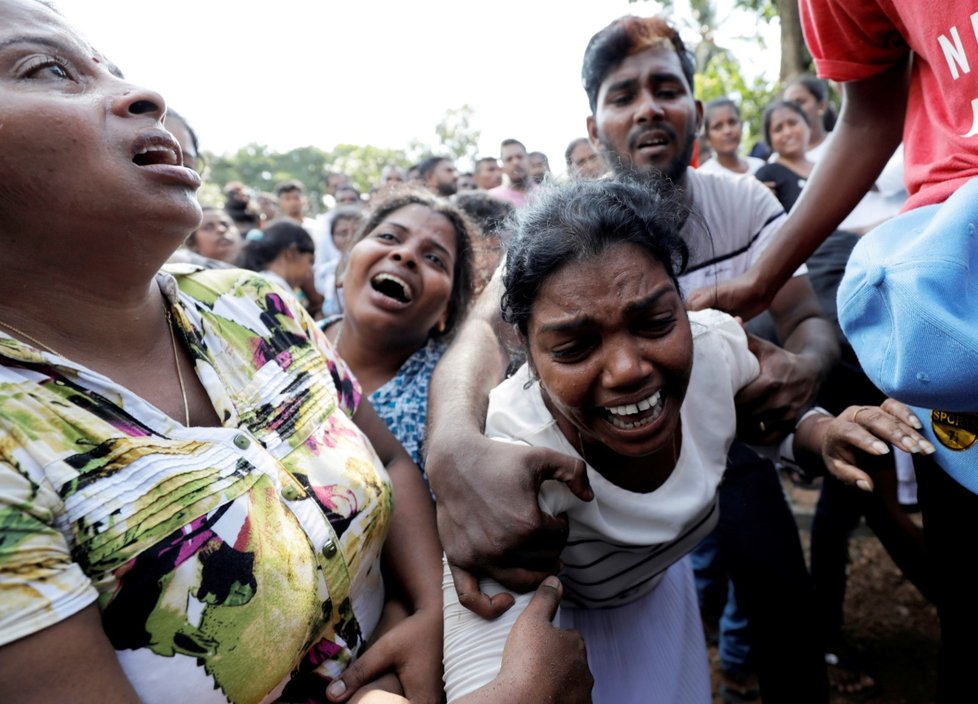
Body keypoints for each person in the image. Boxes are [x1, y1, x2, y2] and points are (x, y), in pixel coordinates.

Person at [0, 3, 593, 703]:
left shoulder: (251, 303)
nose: (148, 96)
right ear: (342, 271)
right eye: (49, 69)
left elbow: (392, 460)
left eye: (117, 71)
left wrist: (430, 615)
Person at [426, 14, 839, 703]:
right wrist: (452, 447)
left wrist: (805, 374)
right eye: (623, 96)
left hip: (724, 423)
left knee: (775, 584)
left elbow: (805, 320)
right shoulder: (558, 240)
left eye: (665, 88)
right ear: (594, 127)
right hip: (594, 463)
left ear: (695, 111)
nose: (648, 108)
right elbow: (480, 337)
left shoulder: (741, 201)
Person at [441, 178, 933, 704]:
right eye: (576, 347)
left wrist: (822, 434)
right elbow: (485, 669)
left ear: (683, 304)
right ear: (528, 357)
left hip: (667, 600)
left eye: (654, 322)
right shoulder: (512, 461)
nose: (628, 370)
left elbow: (763, 416)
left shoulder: (713, 346)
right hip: (565, 650)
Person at [321, 192, 475, 474]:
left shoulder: (449, 405)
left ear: (446, 313)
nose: (405, 255)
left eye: (434, 258)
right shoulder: (281, 337)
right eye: (389, 237)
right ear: (344, 269)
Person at [754, 100, 814, 208]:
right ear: (770, 140)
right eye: (778, 129)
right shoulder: (767, 175)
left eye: (792, 123)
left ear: (807, 125)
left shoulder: (823, 166)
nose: (787, 132)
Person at [237, 219, 317, 294]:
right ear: (291, 253)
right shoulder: (275, 290)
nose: (311, 270)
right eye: (310, 261)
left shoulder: (261, 284)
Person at [698, 98, 766, 177]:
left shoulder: (759, 166)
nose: (727, 131)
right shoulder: (705, 176)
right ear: (707, 138)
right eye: (718, 126)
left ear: (741, 125)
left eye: (732, 122)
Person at [488, 139, 536, 207]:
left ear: (529, 160)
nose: (515, 162)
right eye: (509, 159)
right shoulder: (492, 198)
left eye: (519, 157)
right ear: (502, 166)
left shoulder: (548, 194)